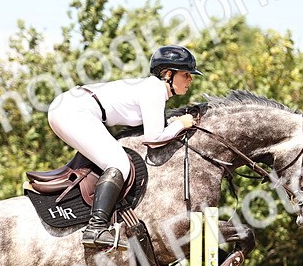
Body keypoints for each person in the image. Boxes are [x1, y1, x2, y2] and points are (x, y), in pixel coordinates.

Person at [48, 45, 203, 249]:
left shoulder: (150, 89)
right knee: (119, 163)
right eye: (186, 74)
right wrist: (181, 124)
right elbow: (154, 138)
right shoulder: (155, 89)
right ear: (168, 74)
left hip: (70, 107)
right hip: (75, 111)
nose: (190, 79)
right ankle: (95, 228)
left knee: (112, 159)